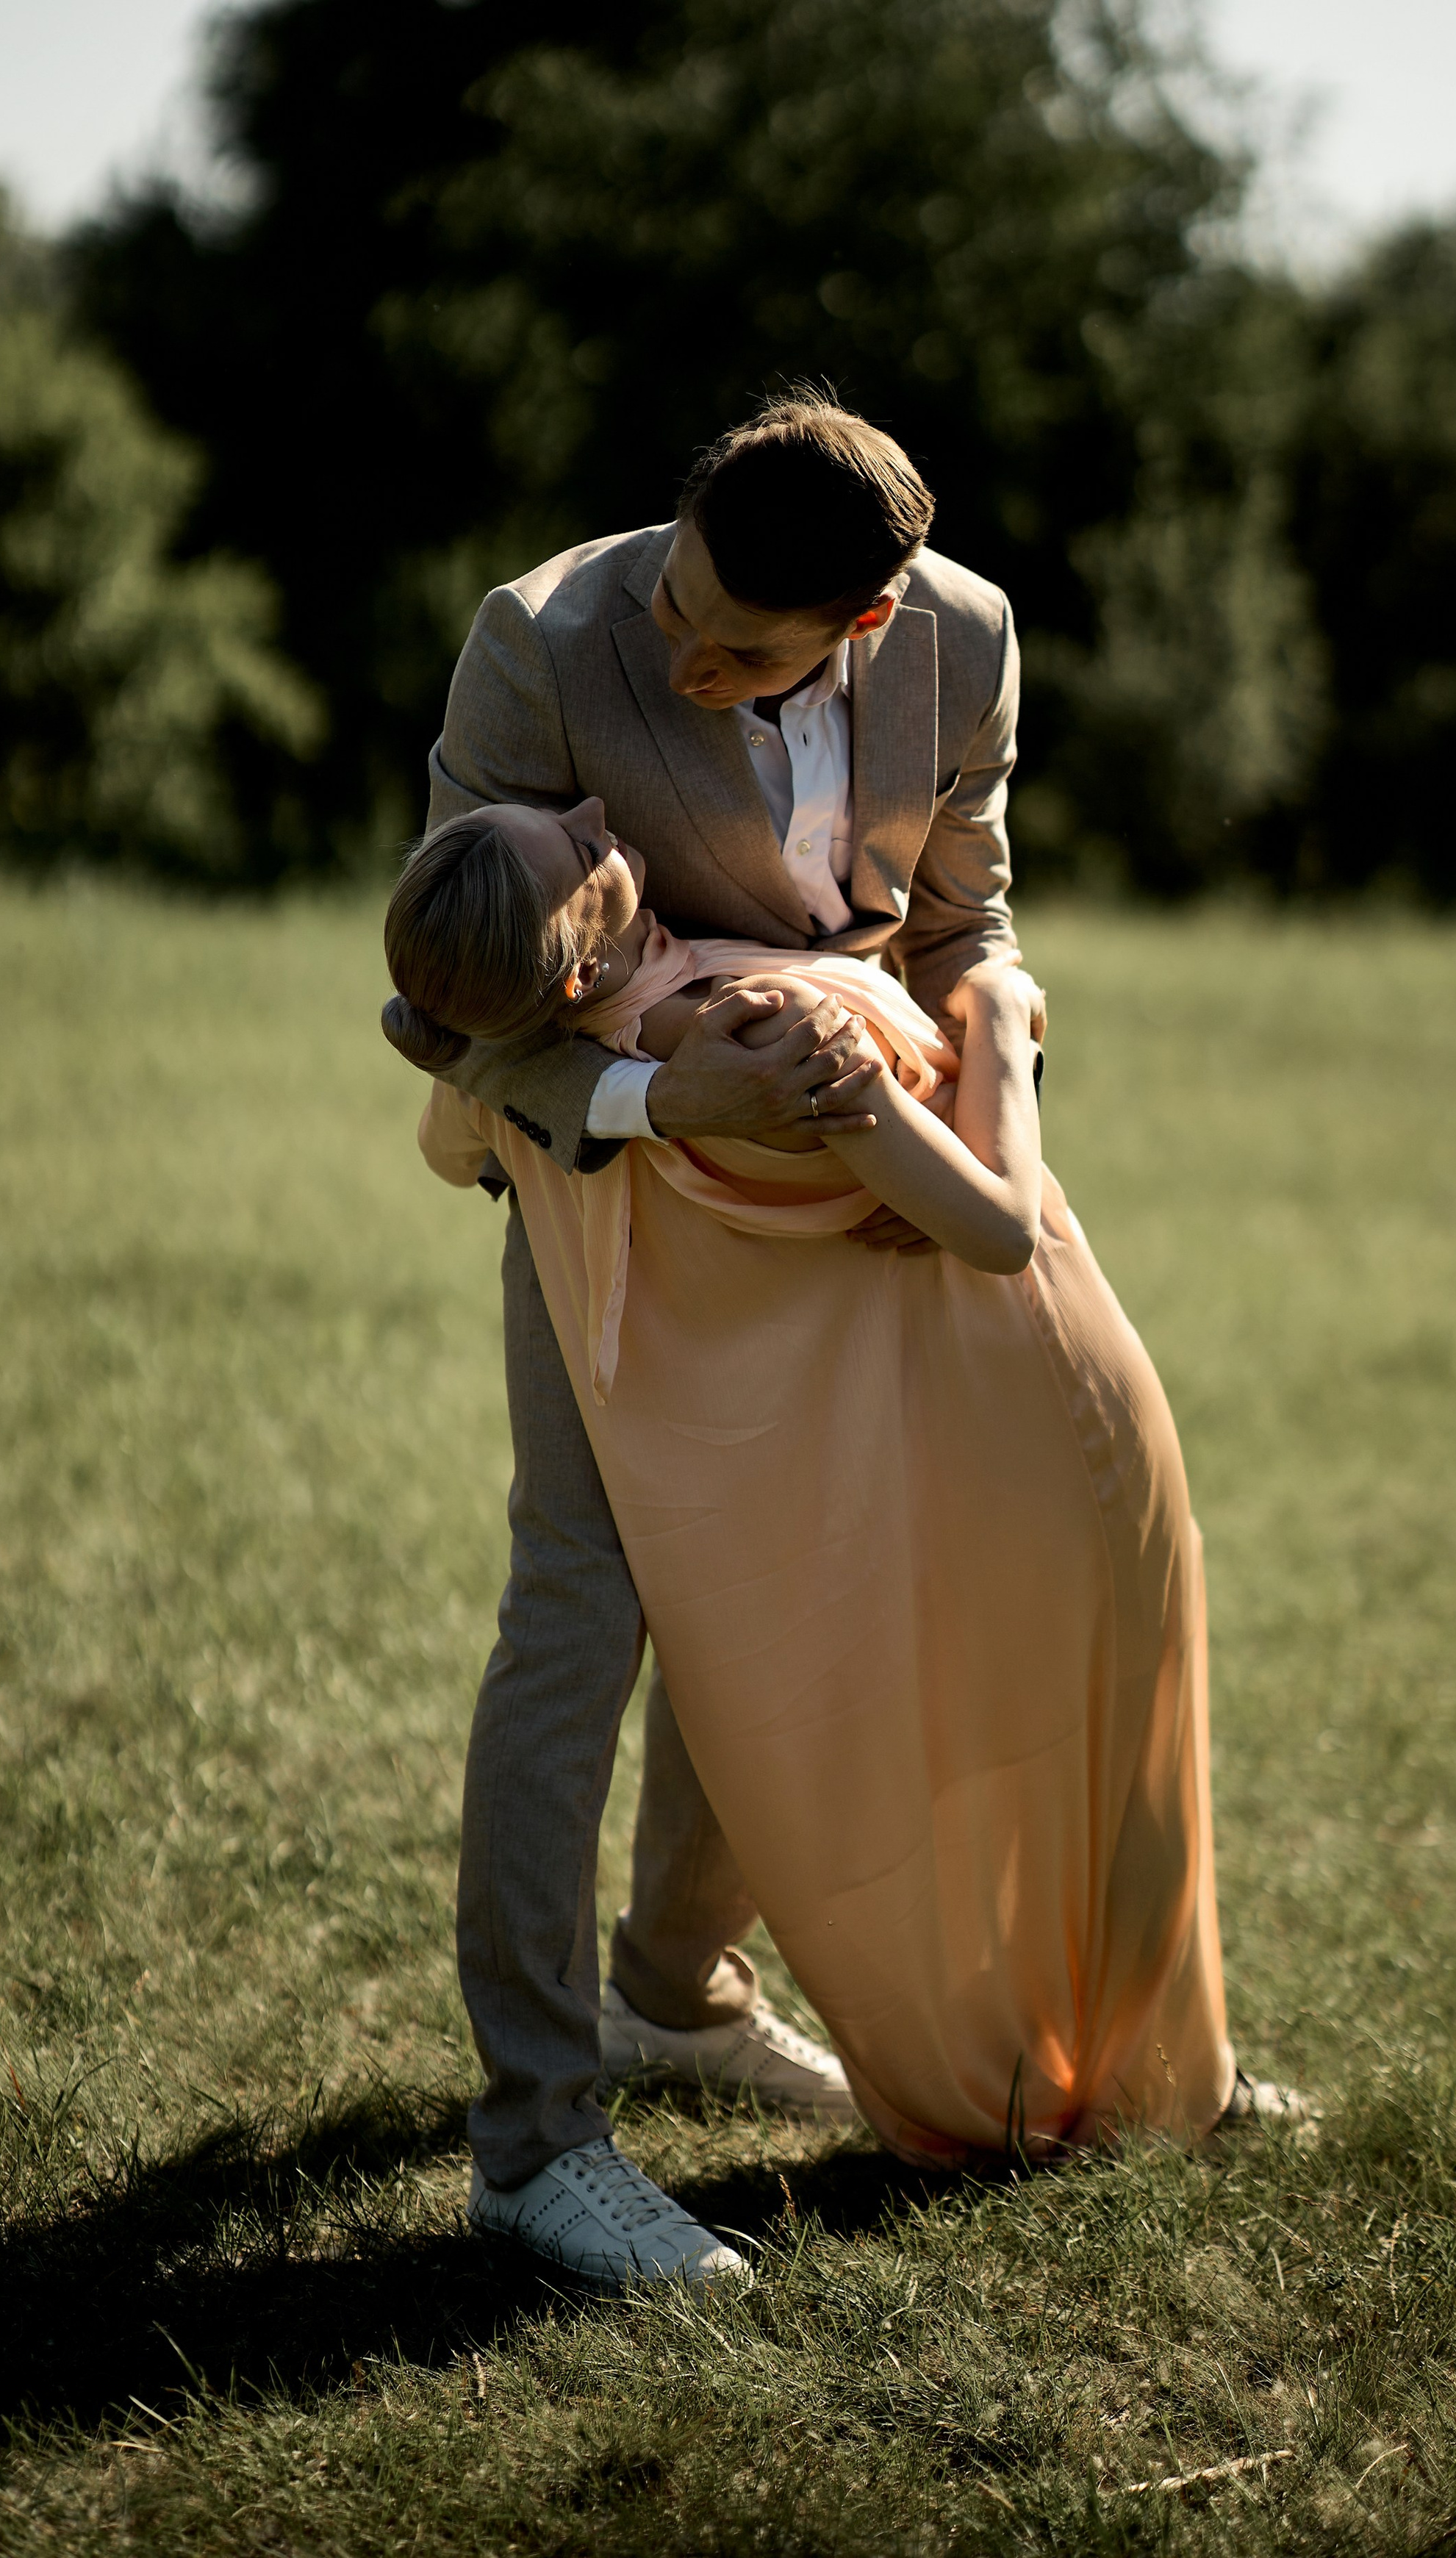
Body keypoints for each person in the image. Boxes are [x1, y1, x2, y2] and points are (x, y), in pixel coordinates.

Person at [398, 394, 1291, 2291]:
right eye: (682, 603)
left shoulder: (963, 635)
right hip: (621, 1189)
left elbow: (965, 912)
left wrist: (983, 1031)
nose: (682, 655)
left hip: (854, 1181)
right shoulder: (539, 642)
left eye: (736, 651)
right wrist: (666, 1102)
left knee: (805, 1590)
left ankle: (680, 1995)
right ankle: (533, 2140)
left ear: (868, 628)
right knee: (580, 1612)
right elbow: (446, 1004)